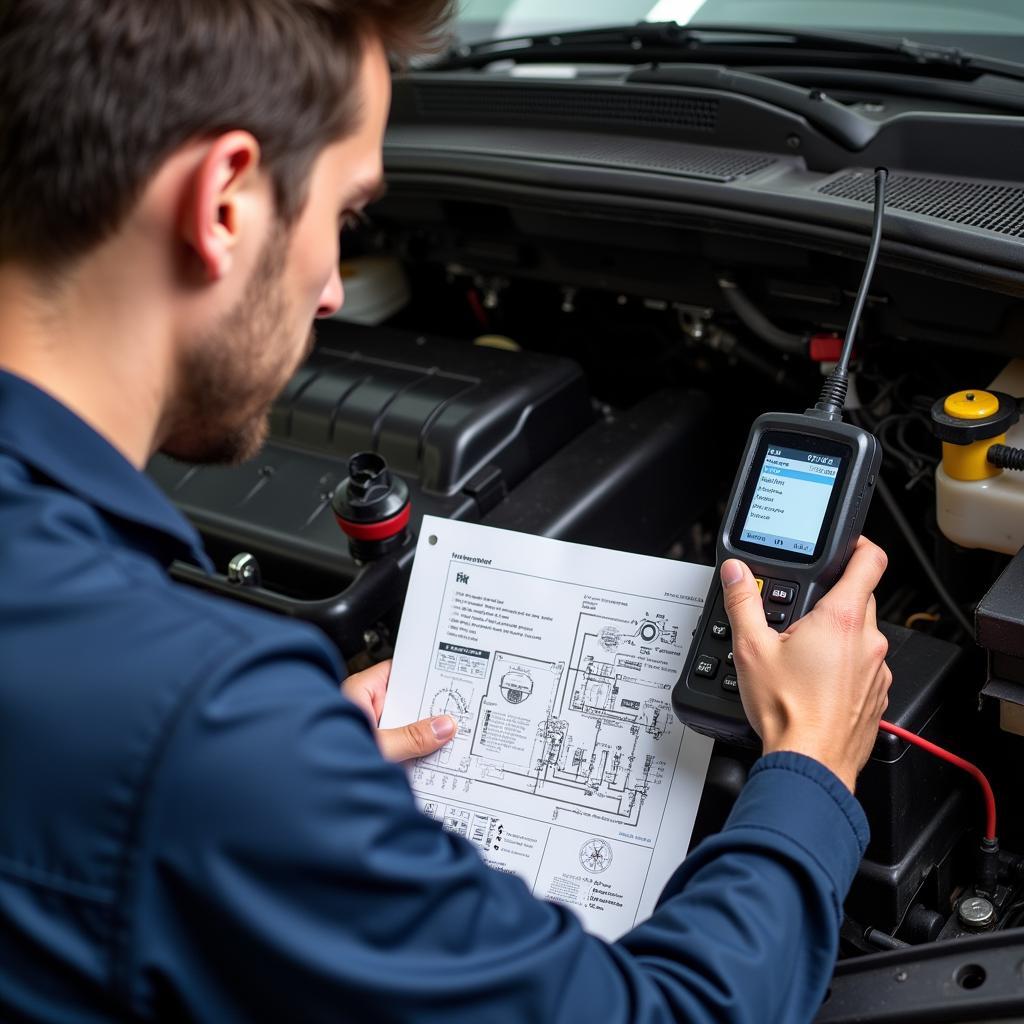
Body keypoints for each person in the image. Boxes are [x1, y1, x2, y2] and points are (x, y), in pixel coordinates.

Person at [0, 2, 892, 1021]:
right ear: (225, 201)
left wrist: (284, 785)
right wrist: (811, 764)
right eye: (341, 219)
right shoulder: (201, 739)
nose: (334, 289)